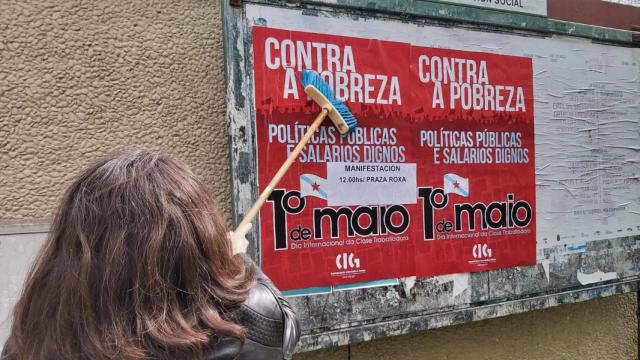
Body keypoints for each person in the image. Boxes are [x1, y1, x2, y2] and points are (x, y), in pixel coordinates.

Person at [1, 150, 299, 359]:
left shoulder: (29, 336)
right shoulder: (236, 335)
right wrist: (237, 259)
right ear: (195, 241)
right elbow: (285, 324)